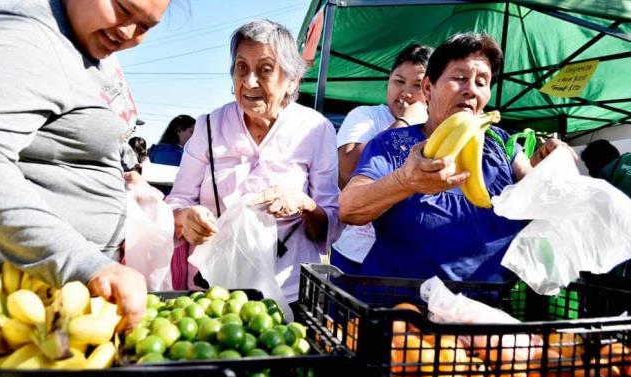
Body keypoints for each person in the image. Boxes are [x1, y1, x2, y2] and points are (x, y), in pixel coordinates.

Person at [0, 0, 171, 329]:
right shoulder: (19, 28)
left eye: (145, 26)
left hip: (64, 289)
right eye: (122, 8)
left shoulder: (86, 37)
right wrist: (86, 264)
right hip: (5, 300)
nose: (128, 32)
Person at [338, 32, 576, 281]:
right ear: (429, 88)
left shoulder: (502, 143)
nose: (471, 90)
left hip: (477, 311)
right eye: (460, 78)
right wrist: (405, 181)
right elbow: (349, 207)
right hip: (398, 307)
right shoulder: (394, 144)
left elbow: (540, 202)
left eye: (482, 82)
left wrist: (550, 170)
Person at [165, 20, 341, 301]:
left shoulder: (315, 129)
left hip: (290, 290)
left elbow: (330, 223)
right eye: (241, 67)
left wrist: (303, 203)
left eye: (265, 70)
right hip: (215, 288)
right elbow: (177, 202)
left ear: (292, 79)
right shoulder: (209, 126)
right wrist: (186, 218)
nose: (249, 82)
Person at [332, 44, 433, 272]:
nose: (406, 92)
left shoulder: (438, 130)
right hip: (354, 254)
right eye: (398, 81)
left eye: (417, 85)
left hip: (406, 259)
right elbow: (347, 171)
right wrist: (404, 123)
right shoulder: (366, 116)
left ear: (430, 88)